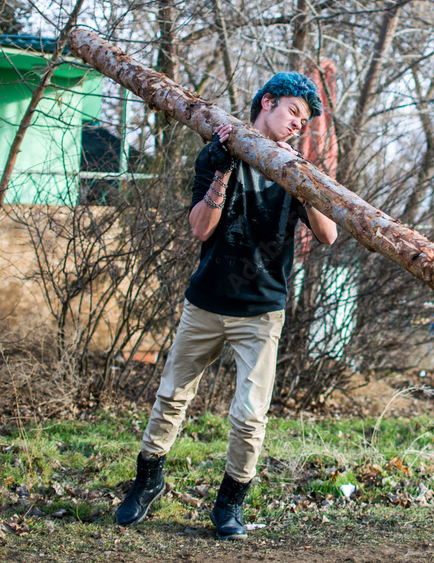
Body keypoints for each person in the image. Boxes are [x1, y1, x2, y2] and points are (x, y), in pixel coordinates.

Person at [114, 73, 338, 539]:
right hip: (207, 301)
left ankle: (229, 503)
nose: (299, 124)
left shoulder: (294, 169)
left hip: (261, 309)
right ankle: (147, 481)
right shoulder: (219, 152)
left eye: (305, 121)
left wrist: (307, 186)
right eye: (294, 112)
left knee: (250, 415)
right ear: (268, 102)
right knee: (172, 396)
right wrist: (221, 171)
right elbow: (200, 229)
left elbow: (328, 234)